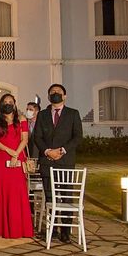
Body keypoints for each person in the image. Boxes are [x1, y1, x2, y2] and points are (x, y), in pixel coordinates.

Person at [33, 84, 83, 243]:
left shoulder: (73, 114)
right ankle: (52, 229)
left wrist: (61, 151)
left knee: (66, 197)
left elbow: (77, 137)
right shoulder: (42, 115)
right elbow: (37, 137)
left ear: (65, 96)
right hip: (47, 162)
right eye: (52, 93)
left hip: (65, 162)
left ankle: (66, 232)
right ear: (48, 97)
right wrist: (47, 151)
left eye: (58, 92)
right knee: (49, 197)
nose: (55, 94)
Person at [0, 94, 33, 239]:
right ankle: (0, 228)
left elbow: (24, 139)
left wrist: (16, 154)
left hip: (18, 157)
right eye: (5, 102)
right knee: (2, 190)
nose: (8, 104)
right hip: (1, 158)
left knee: (18, 190)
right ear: (1, 104)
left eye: (10, 102)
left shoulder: (22, 119)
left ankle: (19, 228)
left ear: (14, 104)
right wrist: (8, 150)